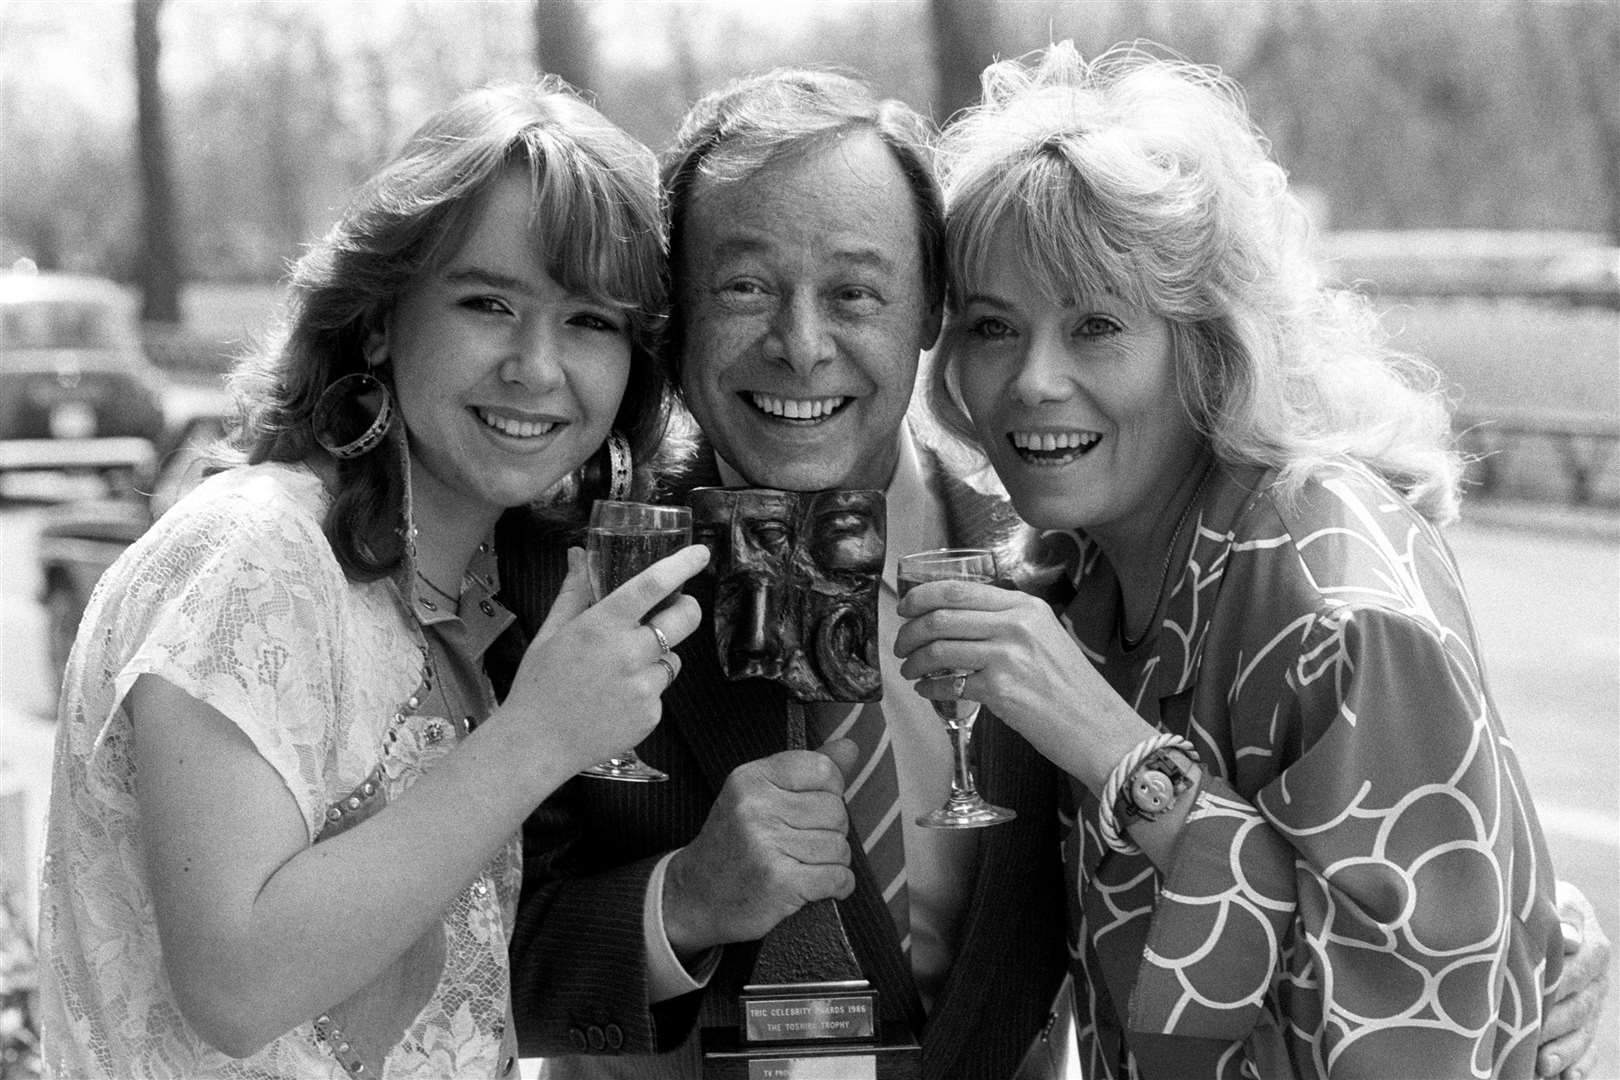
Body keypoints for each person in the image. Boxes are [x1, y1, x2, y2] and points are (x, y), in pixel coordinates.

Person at [896, 41, 1606, 1078]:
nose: (1032, 380)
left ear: (1208, 342)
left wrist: (1114, 750)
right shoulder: (1079, 576)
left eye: (1097, 325)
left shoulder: (1338, 603)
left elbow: (1409, 1035)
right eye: (993, 327)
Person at [36, 78, 707, 1079]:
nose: (536, 365)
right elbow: (237, 986)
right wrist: (539, 739)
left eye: (590, 322)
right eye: (488, 303)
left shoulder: (466, 594)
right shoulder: (255, 557)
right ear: (383, 316)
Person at [501, 69, 1071, 1078]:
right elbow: (472, 962)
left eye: (855, 292)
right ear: (674, 318)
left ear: (931, 307)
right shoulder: (564, 574)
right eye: (746, 289)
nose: (801, 347)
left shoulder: (1053, 570)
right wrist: (684, 901)